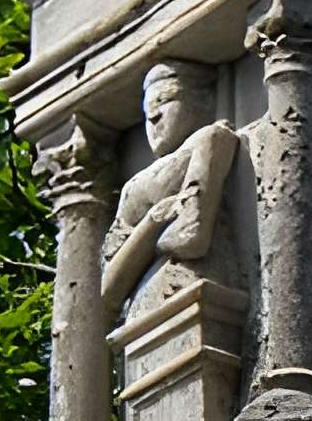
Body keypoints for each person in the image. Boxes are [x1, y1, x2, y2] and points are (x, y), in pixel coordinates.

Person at [101, 61, 238, 318]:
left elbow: (190, 237)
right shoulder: (132, 186)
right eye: (146, 111)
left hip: (191, 288)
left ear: (203, 102)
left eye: (165, 100)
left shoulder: (211, 137)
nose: (153, 117)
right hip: (141, 310)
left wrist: (138, 249)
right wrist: (154, 220)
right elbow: (110, 288)